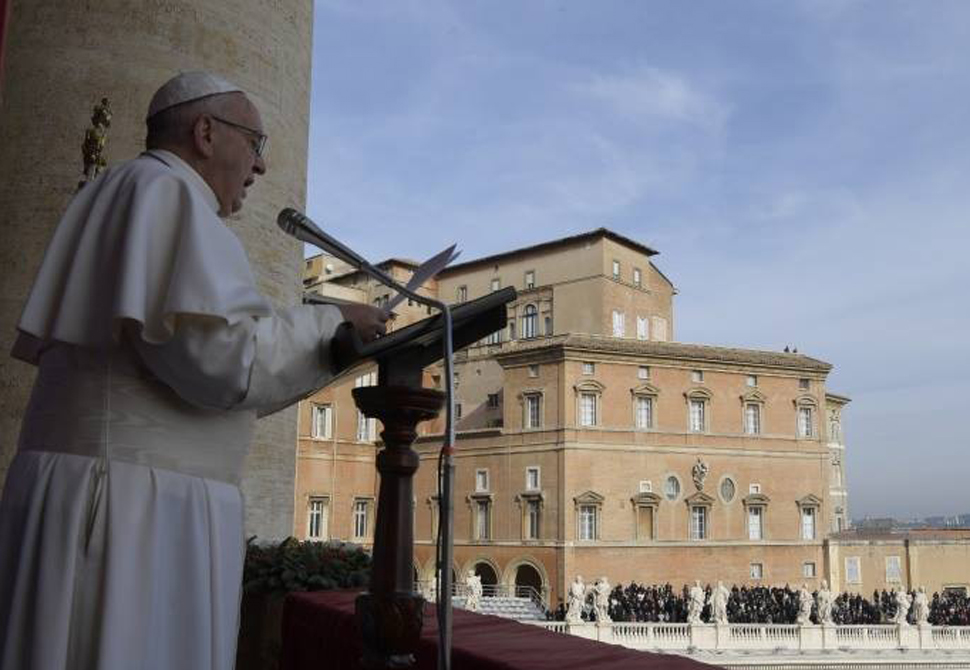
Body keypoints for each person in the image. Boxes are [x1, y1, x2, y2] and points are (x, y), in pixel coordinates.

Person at [0, 71, 386, 670]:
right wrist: (329, 323)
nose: (259, 168)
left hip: (120, 496)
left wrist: (330, 343)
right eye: (255, 145)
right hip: (131, 512)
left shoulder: (134, 191)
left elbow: (222, 380)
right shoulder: (165, 192)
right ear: (206, 133)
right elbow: (222, 363)